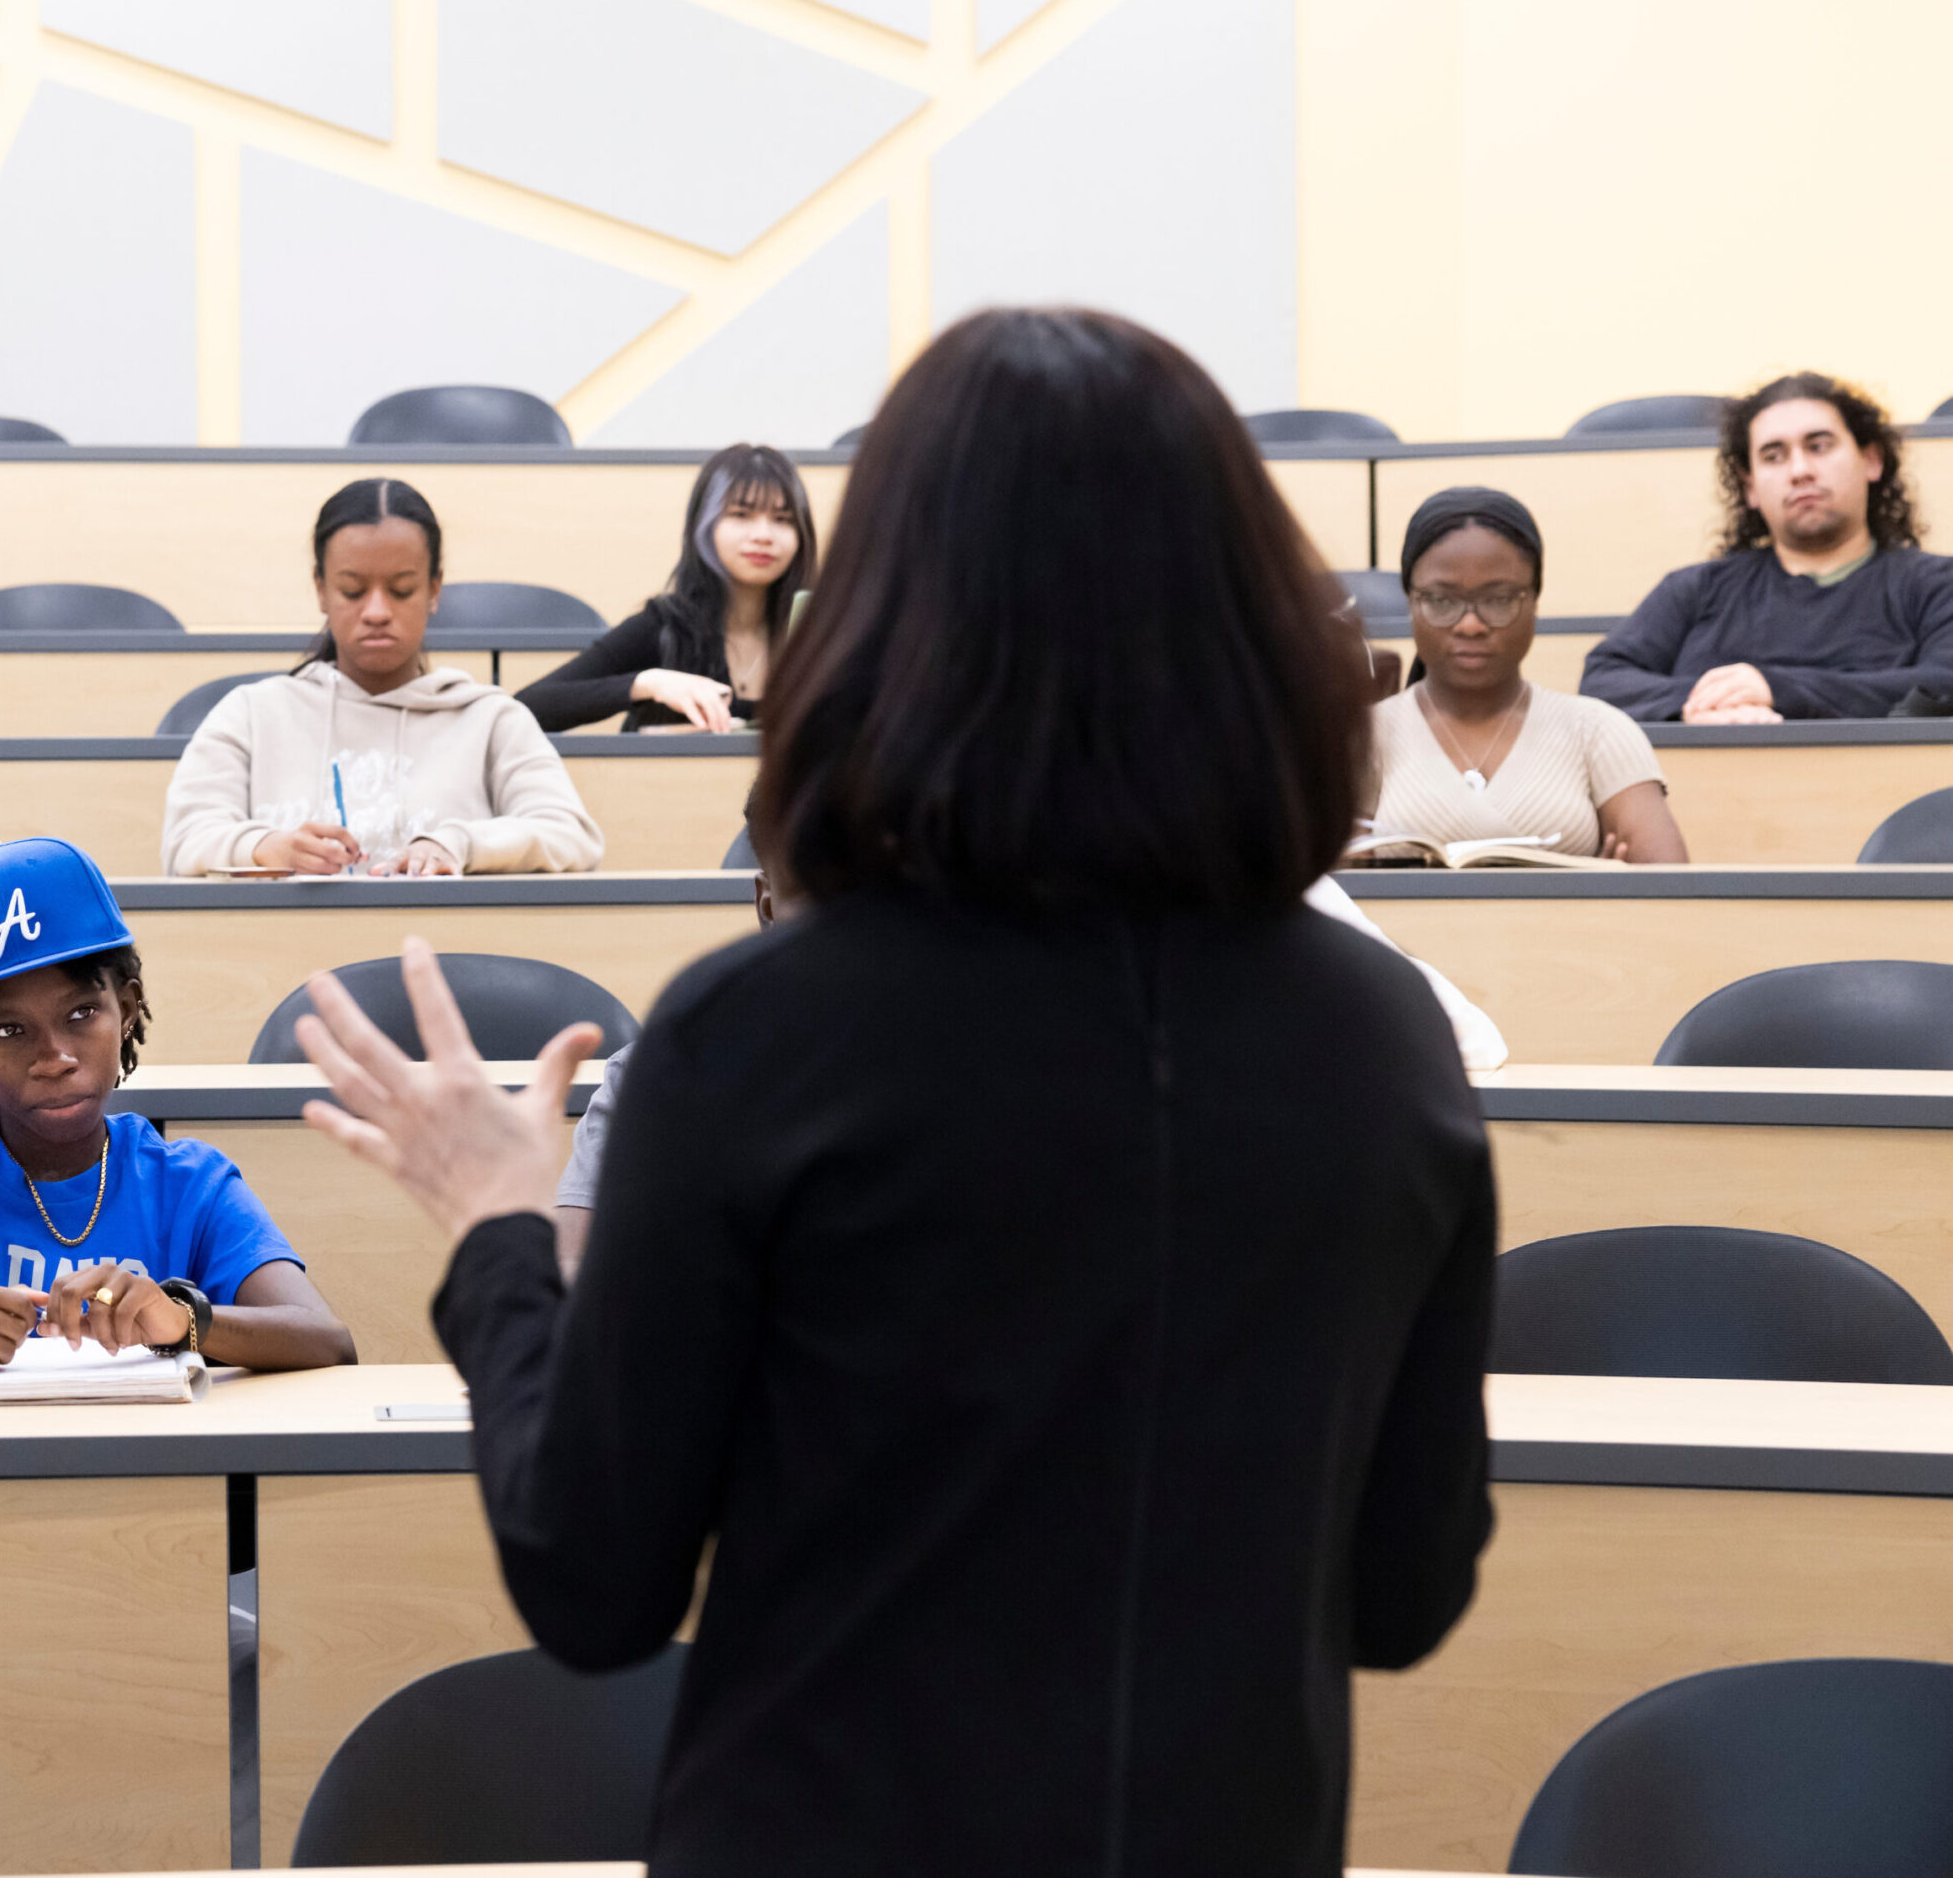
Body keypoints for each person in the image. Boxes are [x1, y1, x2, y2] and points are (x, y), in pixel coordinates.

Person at [293, 307, 1493, 1875]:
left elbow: (593, 1583)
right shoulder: (1379, 1033)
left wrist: (502, 1234)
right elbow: (1404, 1596)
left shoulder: (756, 1032)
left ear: (890, 617)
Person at [0, 837, 355, 1377]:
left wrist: (182, 1320)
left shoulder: (188, 1183)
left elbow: (327, 1341)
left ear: (128, 1008)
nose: (55, 1057)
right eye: (10, 1029)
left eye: (82, 1014)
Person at [160, 479, 603, 876]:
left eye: (402, 590)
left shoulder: (491, 718)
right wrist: (265, 847)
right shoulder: (252, 713)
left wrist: (459, 843)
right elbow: (184, 841)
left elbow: (571, 835)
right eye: (352, 590)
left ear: (434, 589)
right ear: (320, 588)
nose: (376, 612)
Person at [1583, 373, 1953, 722]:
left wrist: (1775, 689)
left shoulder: (1937, 585)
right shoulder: (1696, 590)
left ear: (1871, 460)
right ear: (1750, 488)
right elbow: (1602, 681)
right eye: (1773, 456)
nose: (1799, 470)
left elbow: (1943, 683)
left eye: (1819, 446)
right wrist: (1706, 700)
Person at [1365, 487, 1685, 861]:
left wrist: (1605, 894)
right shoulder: (1364, 736)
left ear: (1534, 600)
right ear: (1410, 602)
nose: (1470, 624)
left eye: (1498, 599)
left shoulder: (1597, 730)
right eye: (1442, 600)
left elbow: (1669, 891)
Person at [515, 444, 815, 732]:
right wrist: (648, 684)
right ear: (704, 525)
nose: (763, 535)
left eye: (782, 519)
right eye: (741, 514)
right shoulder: (663, 625)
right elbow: (527, 707)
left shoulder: (818, 631)